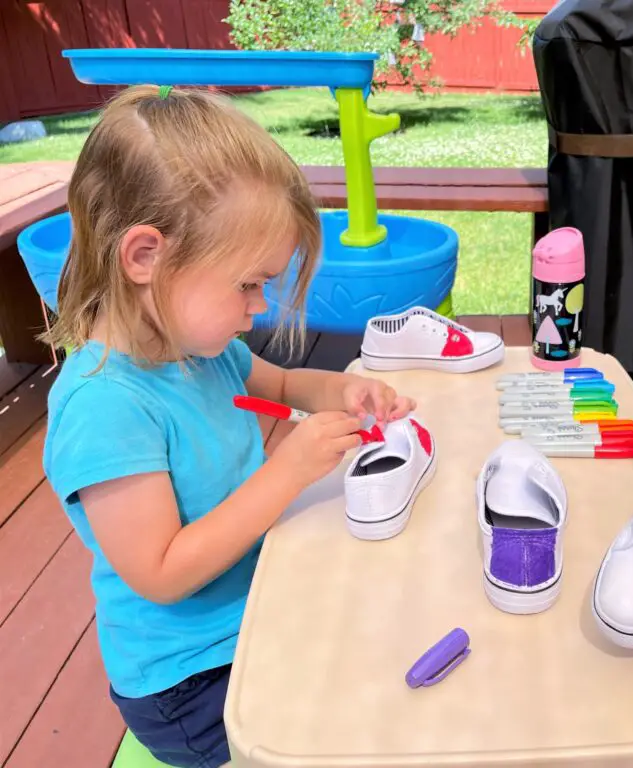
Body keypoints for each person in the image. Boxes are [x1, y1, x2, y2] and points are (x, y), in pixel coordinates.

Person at [42, 85, 416, 768]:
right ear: (145, 257)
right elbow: (160, 572)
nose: (258, 308)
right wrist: (287, 471)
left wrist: (344, 387)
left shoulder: (193, 348)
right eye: (247, 285)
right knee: (368, 725)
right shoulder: (105, 408)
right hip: (192, 684)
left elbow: (279, 384)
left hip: (257, 611)